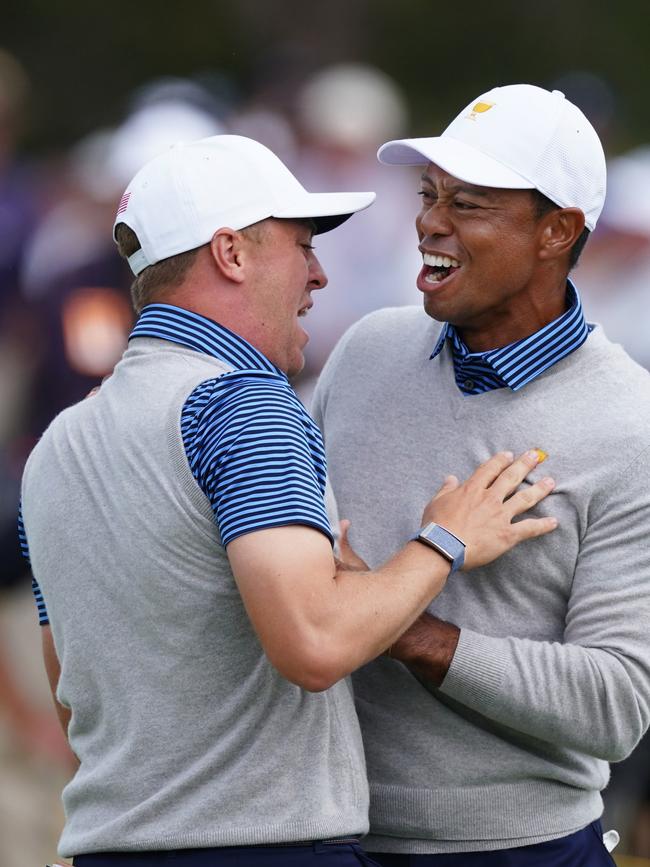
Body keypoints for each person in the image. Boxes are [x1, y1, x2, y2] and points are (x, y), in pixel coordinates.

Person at [19, 134, 556, 867]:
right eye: (301, 245)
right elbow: (313, 644)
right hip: (263, 847)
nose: (320, 274)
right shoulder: (246, 404)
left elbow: (73, 694)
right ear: (231, 254)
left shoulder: (59, 442)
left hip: (111, 847)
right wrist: (444, 540)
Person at [312, 84, 650, 866]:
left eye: (468, 203)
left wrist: (394, 620)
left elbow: (616, 704)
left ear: (556, 231)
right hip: (321, 833)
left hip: (515, 849)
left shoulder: (630, 423)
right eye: (429, 195)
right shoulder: (365, 352)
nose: (429, 221)